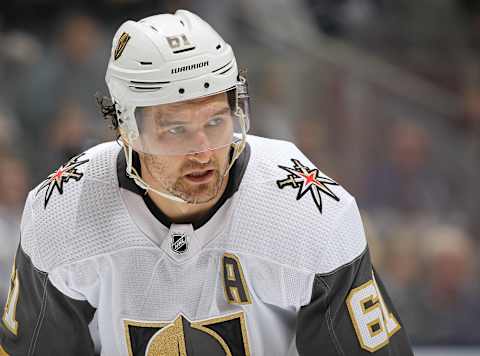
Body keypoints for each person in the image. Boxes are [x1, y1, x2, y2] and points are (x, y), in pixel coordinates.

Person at [0, 10, 413, 356]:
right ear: (125, 130)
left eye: (216, 121)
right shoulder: (62, 210)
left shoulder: (309, 209)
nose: (203, 151)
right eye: (176, 129)